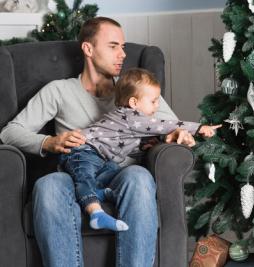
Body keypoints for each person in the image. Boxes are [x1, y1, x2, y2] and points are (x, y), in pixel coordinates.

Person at [0, 17, 196, 267]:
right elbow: (10, 132)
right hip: (73, 174)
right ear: (88, 49)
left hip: (121, 174)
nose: (122, 54)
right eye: (113, 46)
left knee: (138, 177)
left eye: (123, 47)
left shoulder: (133, 90)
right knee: (48, 185)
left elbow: (171, 124)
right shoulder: (59, 91)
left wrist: (174, 135)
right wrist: (50, 141)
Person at [60, 68, 220, 232]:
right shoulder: (131, 117)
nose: (157, 106)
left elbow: (143, 143)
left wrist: (166, 139)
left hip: (100, 158)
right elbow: (164, 125)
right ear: (134, 103)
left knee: (113, 171)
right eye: (153, 101)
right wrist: (199, 127)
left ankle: (99, 193)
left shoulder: (133, 126)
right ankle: (96, 213)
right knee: (84, 177)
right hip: (81, 150)